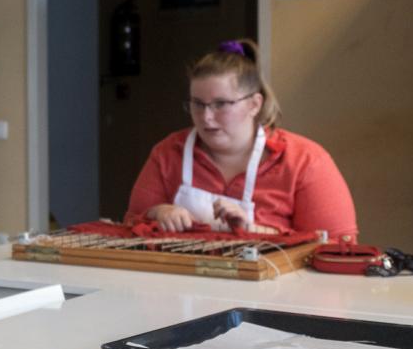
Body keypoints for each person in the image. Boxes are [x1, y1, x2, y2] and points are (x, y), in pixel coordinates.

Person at [125, 39, 358, 239]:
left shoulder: (306, 161)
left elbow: (336, 247)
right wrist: (157, 213)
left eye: (221, 104)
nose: (206, 117)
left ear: (254, 104)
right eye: (198, 104)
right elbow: (128, 229)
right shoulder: (168, 153)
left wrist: (254, 230)